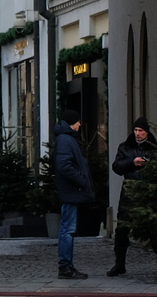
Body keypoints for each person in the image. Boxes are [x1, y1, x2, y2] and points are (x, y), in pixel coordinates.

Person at [109, 118, 157, 279]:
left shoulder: (155, 148)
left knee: (156, 230)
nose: (137, 134)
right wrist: (132, 162)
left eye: (141, 131)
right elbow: (116, 167)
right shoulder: (125, 147)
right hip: (129, 194)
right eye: (135, 130)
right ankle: (119, 264)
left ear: (147, 132)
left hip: (150, 195)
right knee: (122, 230)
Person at [52, 117, 94, 281]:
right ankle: (65, 266)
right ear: (72, 123)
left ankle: (66, 265)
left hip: (70, 190)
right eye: (78, 122)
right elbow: (64, 165)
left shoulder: (65, 138)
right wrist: (81, 180)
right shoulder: (65, 139)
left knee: (67, 228)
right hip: (71, 191)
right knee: (68, 229)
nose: (80, 124)